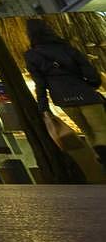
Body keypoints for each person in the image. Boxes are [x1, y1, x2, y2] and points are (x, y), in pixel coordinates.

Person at [25, 17, 106, 174]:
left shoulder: (32, 56)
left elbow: (40, 83)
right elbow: (88, 69)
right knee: (101, 129)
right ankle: (103, 156)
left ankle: (100, 161)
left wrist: (43, 107)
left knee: (87, 132)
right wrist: (92, 85)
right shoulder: (66, 48)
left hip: (63, 99)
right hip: (85, 94)